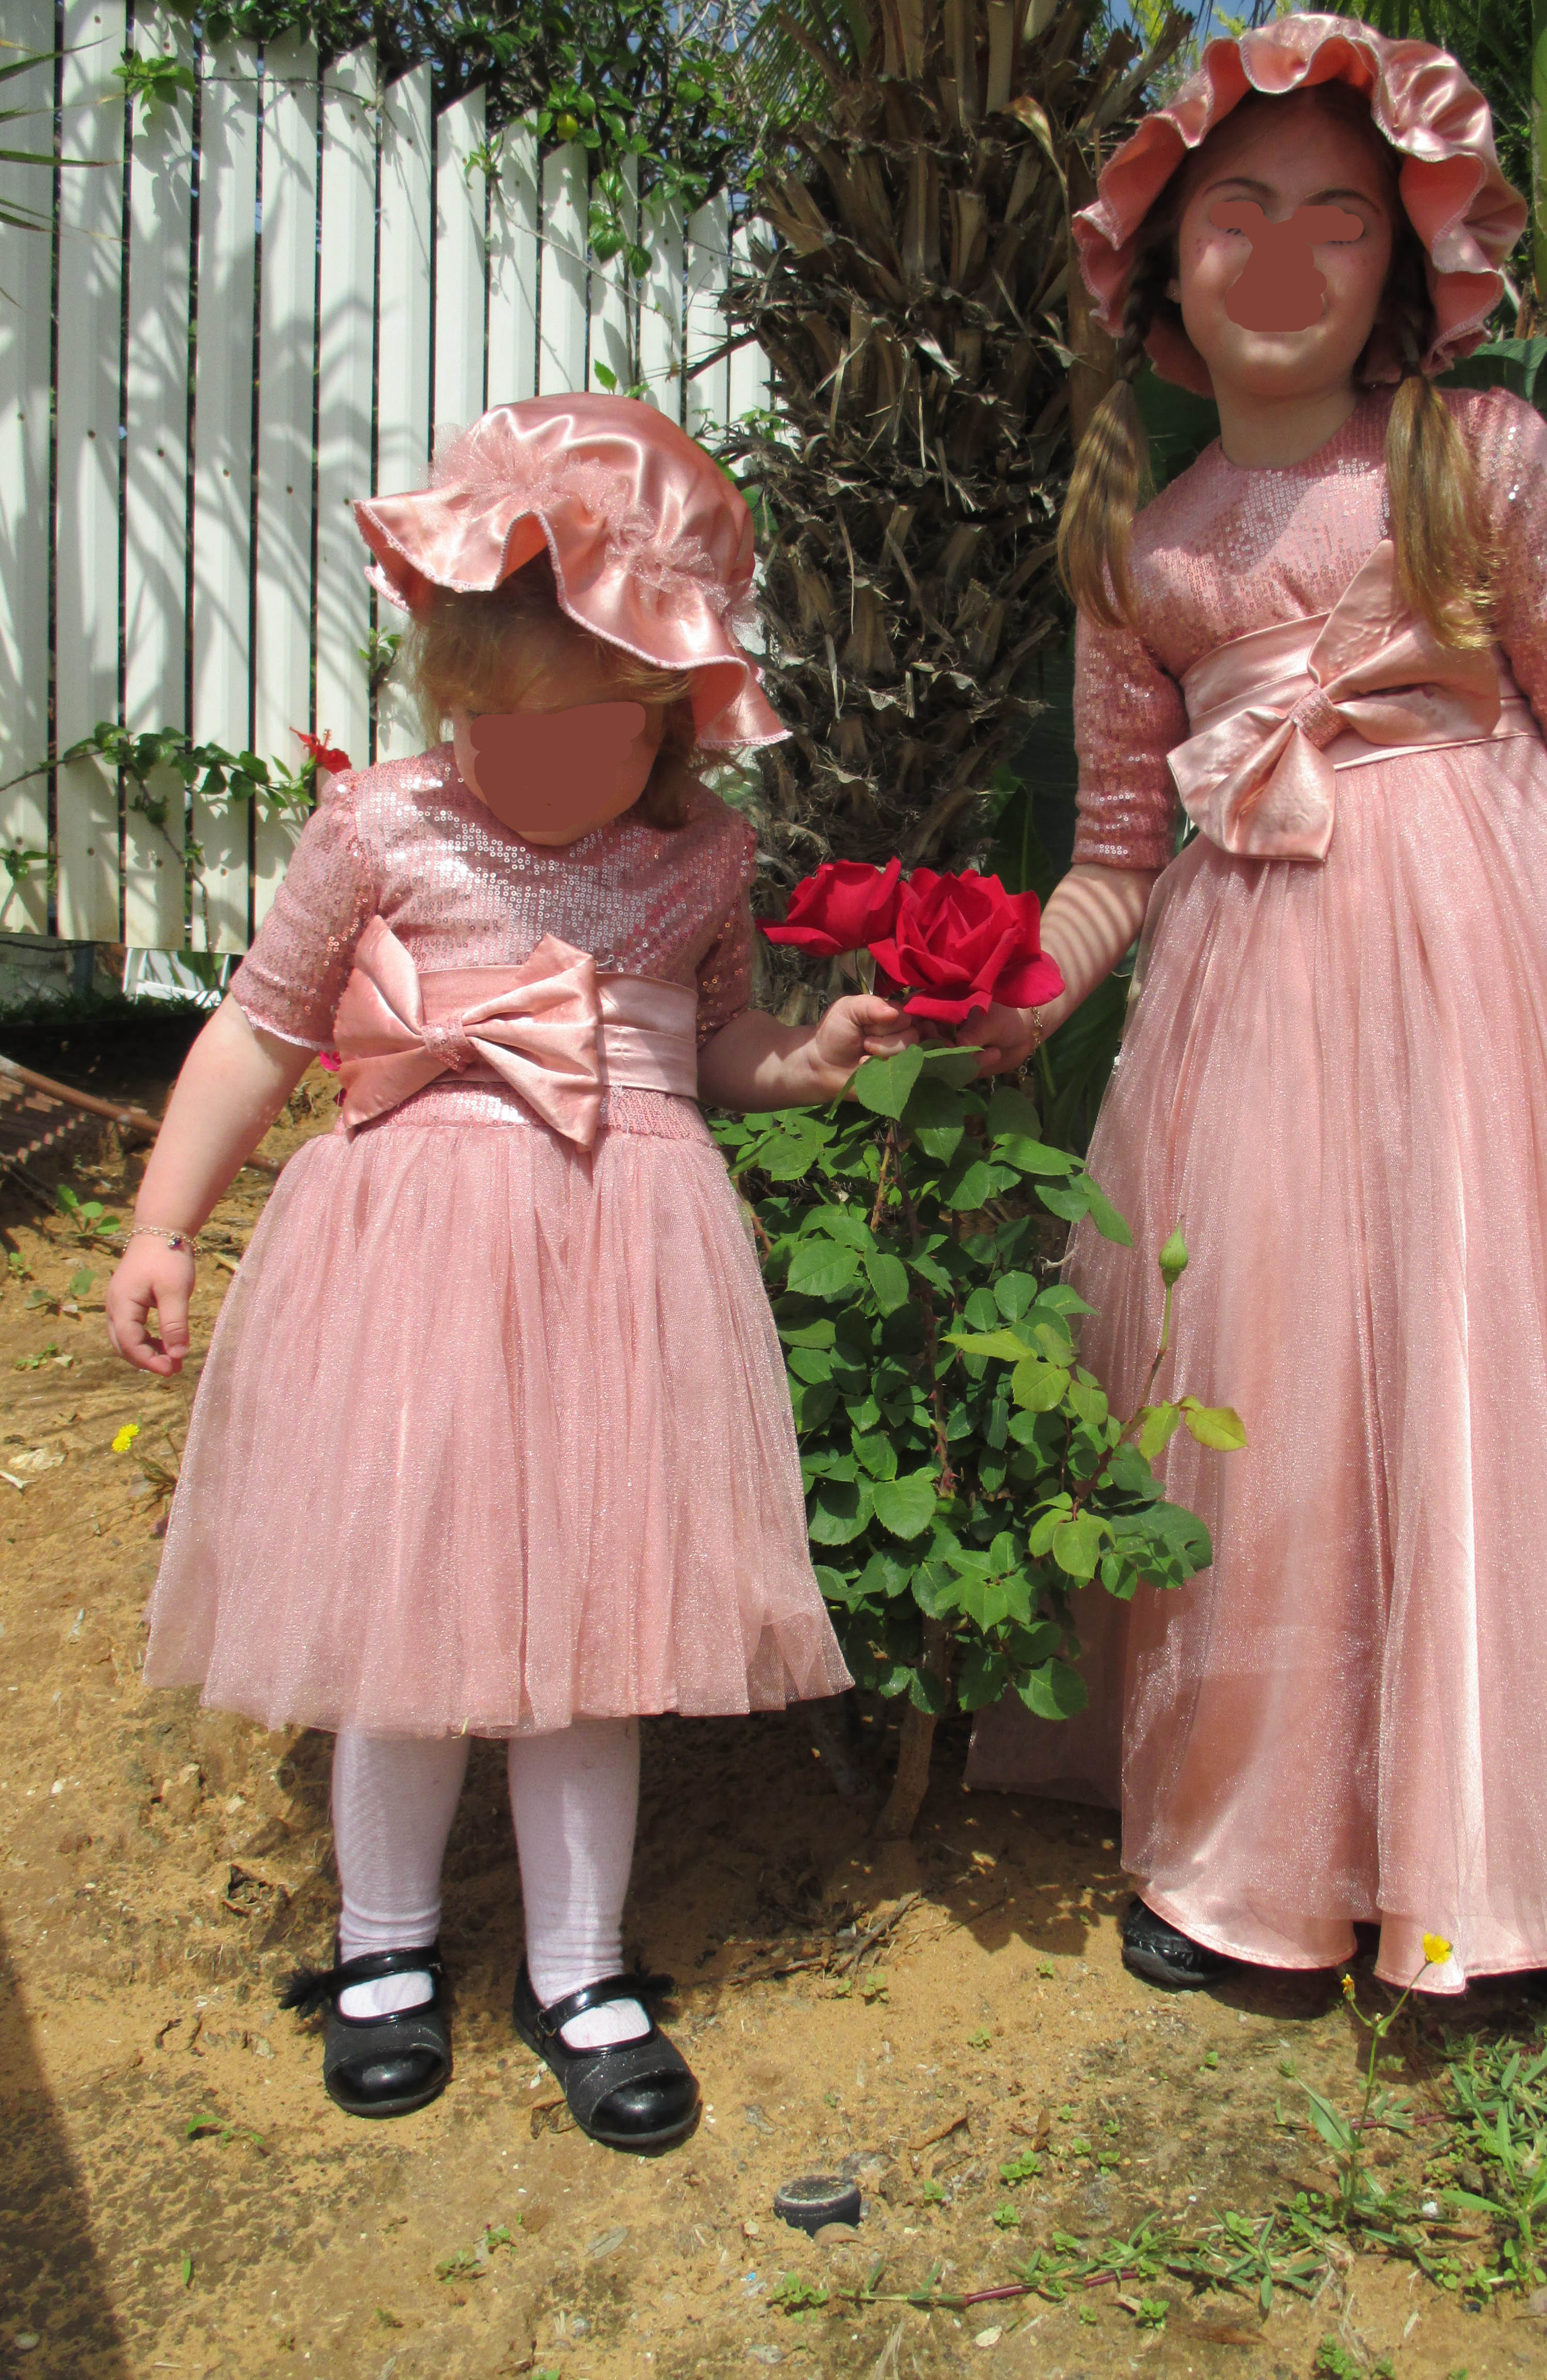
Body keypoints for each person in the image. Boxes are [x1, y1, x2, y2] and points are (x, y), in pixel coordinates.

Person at [965, 17, 1547, 2014]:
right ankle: (1264, 1851)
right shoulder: (1143, 550)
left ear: (1404, 266)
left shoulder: (1476, 458)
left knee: (1506, 1403)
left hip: (1497, 1012)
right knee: (1276, 1427)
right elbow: (1119, 849)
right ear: (1163, 269)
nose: (1284, 253)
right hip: (1254, 1031)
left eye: (1340, 219)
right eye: (1236, 211)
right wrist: (1014, 996)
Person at [106, 395, 911, 2142]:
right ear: (447, 698)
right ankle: (384, 1946)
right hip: (408, 1273)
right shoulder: (379, 828)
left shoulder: (702, 857)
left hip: (621, 1272)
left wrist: (810, 1058)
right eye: (494, 728)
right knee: (403, 1619)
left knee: (597, 1631)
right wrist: (164, 1223)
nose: (530, 765)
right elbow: (260, 1028)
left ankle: (582, 1968)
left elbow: (713, 1047)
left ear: (670, 714)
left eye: (587, 735)